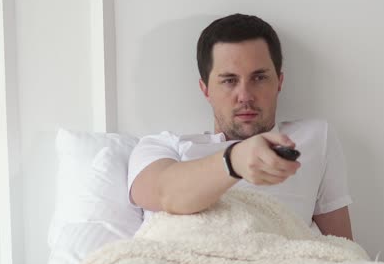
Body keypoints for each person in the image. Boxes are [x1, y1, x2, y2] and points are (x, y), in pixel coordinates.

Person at [127, 14, 354, 240]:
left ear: (279, 82)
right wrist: (234, 161)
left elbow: (344, 251)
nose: (245, 96)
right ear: (205, 89)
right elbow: (165, 194)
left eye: (259, 78)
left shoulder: (314, 138)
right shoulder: (163, 147)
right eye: (229, 80)